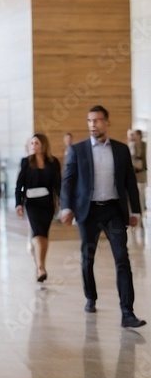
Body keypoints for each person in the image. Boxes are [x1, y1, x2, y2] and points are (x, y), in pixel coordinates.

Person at [60, 106, 145, 327]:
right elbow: (68, 181)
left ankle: (127, 312)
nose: (93, 124)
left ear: (107, 122)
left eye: (97, 120)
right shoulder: (77, 150)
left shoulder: (121, 149)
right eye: (90, 120)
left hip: (113, 211)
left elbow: (129, 183)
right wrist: (66, 208)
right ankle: (91, 297)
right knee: (88, 258)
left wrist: (135, 211)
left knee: (122, 259)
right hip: (88, 212)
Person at [14, 133, 61, 283]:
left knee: (44, 235)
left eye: (36, 143)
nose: (33, 145)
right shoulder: (26, 162)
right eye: (32, 143)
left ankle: (40, 266)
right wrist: (18, 204)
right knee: (38, 234)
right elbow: (19, 185)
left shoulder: (53, 162)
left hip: (47, 203)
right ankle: (41, 268)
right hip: (32, 204)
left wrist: (62, 202)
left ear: (43, 145)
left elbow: (57, 184)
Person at [128, 128, 147, 243]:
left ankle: (141, 217)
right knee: (136, 198)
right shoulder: (132, 146)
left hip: (142, 174)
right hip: (135, 175)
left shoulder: (144, 145)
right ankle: (138, 219)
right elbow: (132, 158)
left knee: (142, 198)